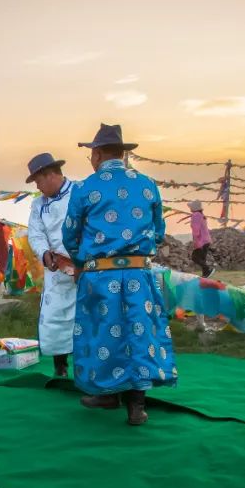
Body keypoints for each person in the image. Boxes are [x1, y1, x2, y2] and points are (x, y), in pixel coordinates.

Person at [62, 123, 177, 425]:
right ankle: (136, 406)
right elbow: (159, 232)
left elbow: (70, 234)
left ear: (97, 154)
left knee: (104, 332)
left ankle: (106, 393)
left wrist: (81, 263)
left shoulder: (85, 187)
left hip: (100, 277)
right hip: (139, 275)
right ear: (123, 154)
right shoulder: (148, 184)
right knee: (138, 332)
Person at [25, 152, 76, 378]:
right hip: (55, 270)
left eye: (38, 181)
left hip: (83, 268)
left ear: (51, 175)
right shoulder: (38, 205)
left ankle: (88, 367)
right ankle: (60, 367)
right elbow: (35, 234)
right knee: (55, 319)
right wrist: (45, 253)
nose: (38, 187)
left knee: (86, 318)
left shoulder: (80, 193)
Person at [187, 200, 215, 278]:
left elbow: (196, 230)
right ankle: (205, 274)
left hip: (201, 241)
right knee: (202, 258)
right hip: (206, 240)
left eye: (191, 207)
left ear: (194, 208)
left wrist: (196, 242)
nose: (190, 208)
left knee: (195, 257)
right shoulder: (201, 215)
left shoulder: (195, 215)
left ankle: (207, 269)